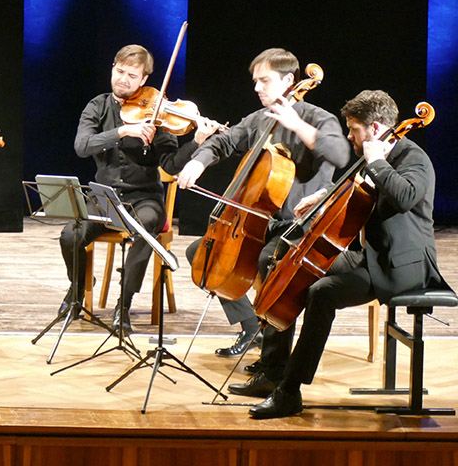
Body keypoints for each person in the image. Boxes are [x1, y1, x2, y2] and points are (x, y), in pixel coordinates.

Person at [247, 89, 446, 418]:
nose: (350, 136)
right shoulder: (369, 157)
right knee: (291, 265)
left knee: (321, 292)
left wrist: (377, 160)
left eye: (354, 130)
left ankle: (289, 393)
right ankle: (273, 369)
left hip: (401, 265)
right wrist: (322, 196)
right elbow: (354, 188)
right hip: (369, 256)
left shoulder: (413, 158)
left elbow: (405, 196)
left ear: (376, 128)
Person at [177, 48, 349, 367]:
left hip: (302, 226)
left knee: (268, 260)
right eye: (255, 81)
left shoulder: (317, 118)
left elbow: (341, 155)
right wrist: (199, 162)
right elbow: (223, 141)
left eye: (264, 80)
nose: (257, 87)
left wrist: (298, 126)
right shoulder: (260, 119)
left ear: (288, 81)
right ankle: (251, 327)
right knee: (203, 252)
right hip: (263, 223)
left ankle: (273, 364)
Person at [56, 44, 215, 335]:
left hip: (144, 197)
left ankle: (124, 304)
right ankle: (77, 289)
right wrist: (122, 131)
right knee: (70, 234)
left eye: (132, 75)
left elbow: (171, 163)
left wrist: (197, 142)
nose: (124, 79)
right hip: (104, 197)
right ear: (112, 69)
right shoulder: (97, 106)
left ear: (143, 80)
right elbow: (81, 146)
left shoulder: (158, 112)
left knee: (145, 229)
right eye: (120, 71)